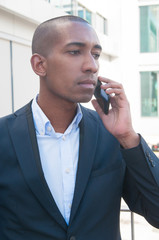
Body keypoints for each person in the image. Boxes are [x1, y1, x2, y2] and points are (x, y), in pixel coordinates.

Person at [0, 15, 159, 240]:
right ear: (40, 65)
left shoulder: (112, 136)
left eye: (95, 54)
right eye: (75, 52)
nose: (91, 66)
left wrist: (128, 137)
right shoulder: (3, 136)